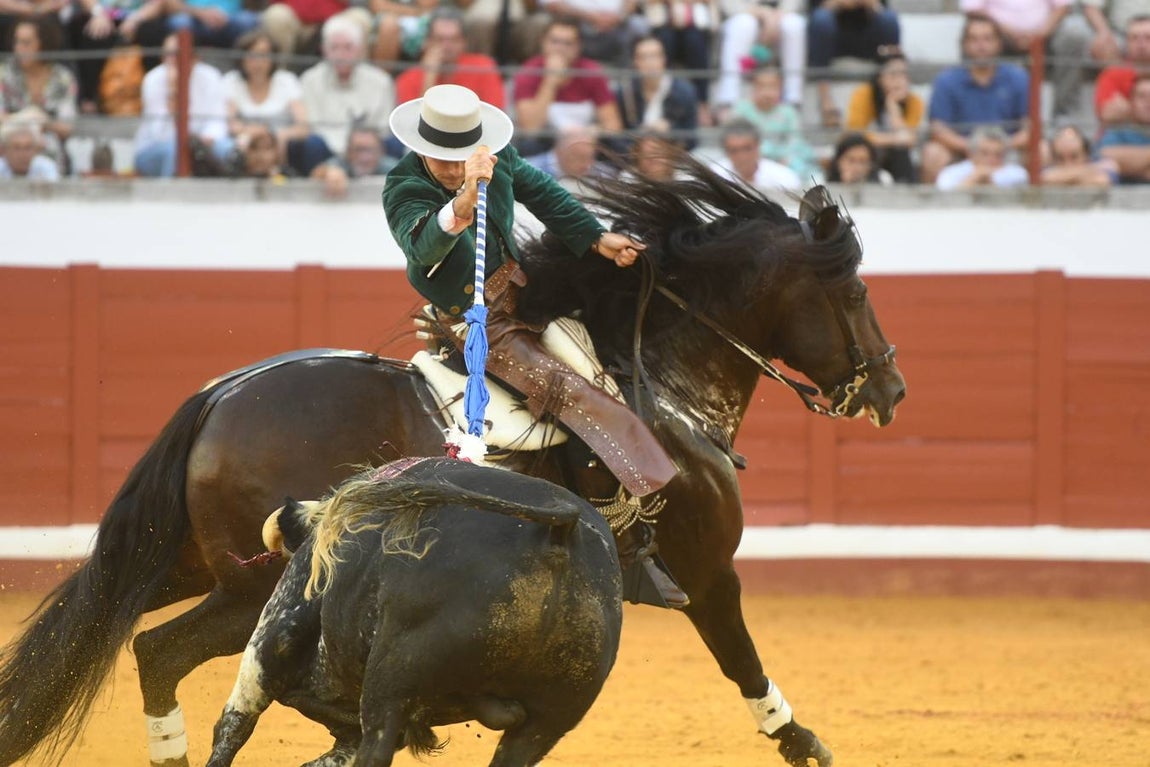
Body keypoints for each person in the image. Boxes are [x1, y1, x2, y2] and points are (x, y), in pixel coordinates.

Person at [382, 83, 686, 606]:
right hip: (474, 320)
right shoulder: (403, 186)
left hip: (524, 296)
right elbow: (423, 248)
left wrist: (595, 237)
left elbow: (542, 191)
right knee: (573, 394)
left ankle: (623, 520)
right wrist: (463, 199)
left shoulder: (496, 157)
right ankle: (630, 550)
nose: (454, 168)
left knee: (606, 368)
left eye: (461, 160)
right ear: (423, 149)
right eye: (443, 160)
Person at [921, 13, 1029, 184]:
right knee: (933, 153)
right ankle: (935, 208)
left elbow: (1030, 127)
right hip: (961, 152)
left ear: (999, 43)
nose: (981, 46)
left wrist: (998, 149)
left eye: (987, 39)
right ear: (964, 45)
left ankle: (1034, 206)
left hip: (1007, 152)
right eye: (974, 39)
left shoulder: (1018, 77)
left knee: (1041, 150)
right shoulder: (946, 80)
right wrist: (974, 149)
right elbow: (938, 130)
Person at [223, 30, 331, 175]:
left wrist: (277, 137)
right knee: (232, 147)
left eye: (264, 55)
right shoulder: (231, 81)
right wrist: (255, 135)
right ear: (242, 58)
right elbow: (232, 124)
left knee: (314, 143)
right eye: (252, 55)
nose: (258, 62)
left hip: (283, 142)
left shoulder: (287, 81)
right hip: (247, 141)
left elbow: (303, 125)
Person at [512, 16, 624, 157]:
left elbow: (613, 125)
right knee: (528, 145)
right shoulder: (529, 72)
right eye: (555, 41)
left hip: (586, 143)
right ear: (543, 42)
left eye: (567, 43)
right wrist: (550, 81)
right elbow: (531, 128)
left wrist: (589, 133)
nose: (560, 48)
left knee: (618, 146)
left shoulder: (591, 72)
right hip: (547, 145)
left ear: (578, 46)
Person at [959, 0, 1091, 119]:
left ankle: (1065, 117)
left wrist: (1038, 35)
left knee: (1074, 35)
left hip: (1045, 34)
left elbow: (1063, 6)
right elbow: (973, 8)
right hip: (998, 32)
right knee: (978, 39)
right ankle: (979, 118)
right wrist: (1008, 31)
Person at [133, 32, 232, 176]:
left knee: (228, 149)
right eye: (168, 54)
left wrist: (205, 139)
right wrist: (173, 94)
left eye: (177, 55)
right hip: (154, 150)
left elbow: (217, 122)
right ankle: (170, 197)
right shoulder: (153, 80)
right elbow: (159, 135)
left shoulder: (211, 76)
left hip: (203, 143)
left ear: (195, 57)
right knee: (176, 150)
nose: (172, 60)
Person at [300, 13, 394, 157]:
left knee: (394, 145)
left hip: (370, 152)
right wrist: (344, 150)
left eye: (348, 48)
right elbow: (313, 127)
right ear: (324, 51)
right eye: (334, 47)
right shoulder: (309, 80)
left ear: (360, 50)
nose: (340, 55)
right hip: (327, 152)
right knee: (313, 144)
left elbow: (383, 130)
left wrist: (359, 146)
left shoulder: (381, 81)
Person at [807, 0, 901, 128]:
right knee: (821, 20)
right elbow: (813, 12)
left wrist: (871, 5)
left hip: (866, 36)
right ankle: (825, 100)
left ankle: (892, 95)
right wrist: (838, 3)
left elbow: (882, 9)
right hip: (833, 37)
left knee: (889, 19)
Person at [0, 15, 76, 172]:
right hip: (7, 149)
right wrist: (28, 119)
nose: (18, 48)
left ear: (43, 44)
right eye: (16, 42)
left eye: (26, 43)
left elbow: (67, 127)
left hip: (48, 150)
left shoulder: (62, 79)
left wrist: (44, 123)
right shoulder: (4, 74)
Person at [66, 0, 168, 113]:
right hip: (101, 17)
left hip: (140, 18)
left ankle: (151, 98)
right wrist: (98, 13)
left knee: (152, 32)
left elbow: (158, 3)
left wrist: (135, 19)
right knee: (94, 32)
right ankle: (88, 99)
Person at [394, 7, 504, 107]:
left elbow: (495, 114)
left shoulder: (483, 67)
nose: (446, 46)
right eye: (439, 39)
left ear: (464, 42)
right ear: (427, 41)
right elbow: (413, 122)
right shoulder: (407, 79)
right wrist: (429, 76)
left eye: (454, 39)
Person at [713, 0, 806, 118]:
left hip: (782, 16)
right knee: (743, 23)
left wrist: (777, 16)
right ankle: (728, 101)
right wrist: (762, 13)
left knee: (794, 25)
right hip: (744, 14)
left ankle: (793, 101)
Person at [844, 45, 920, 182]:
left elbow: (909, 139)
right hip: (868, 153)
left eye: (903, 74)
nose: (899, 80)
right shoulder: (863, 94)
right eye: (893, 74)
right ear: (880, 77)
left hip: (895, 156)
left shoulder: (914, 101)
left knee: (901, 153)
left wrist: (892, 106)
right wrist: (894, 139)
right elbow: (855, 135)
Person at [732, 62, 819, 180]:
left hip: (783, 160)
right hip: (750, 159)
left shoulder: (789, 112)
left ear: (780, 88)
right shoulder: (741, 110)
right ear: (754, 88)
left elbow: (795, 141)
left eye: (773, 87)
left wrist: (783, 158)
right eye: (762, 86)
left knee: (807, 169)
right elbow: (737, 139)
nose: (767, 92)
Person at [616, 34, 699, 149]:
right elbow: (617, 138)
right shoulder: (625, 94)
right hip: (635, 160)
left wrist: (670, 130)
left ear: (664, 58)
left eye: (655, 56)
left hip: (673, 160)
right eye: (643, 57)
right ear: (635, 61)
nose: (650, 63)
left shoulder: (684, 92)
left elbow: (692, 139)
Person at [261, 0, 372, 61]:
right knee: (276, 15)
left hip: (335, 19)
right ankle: (280, 75)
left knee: (361, 18)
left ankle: (359, 79)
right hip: (297, 20)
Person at [713, 116, 801, 188]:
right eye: (734, 150)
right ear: (726, 151)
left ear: (758, 146)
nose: (742, 156)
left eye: (747, 148)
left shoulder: (784, 178)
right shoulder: (714, 176)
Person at [310, 122, 394, 195]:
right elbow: (317, 172)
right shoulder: (342, 163)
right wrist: (329, 172)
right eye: (359, 149)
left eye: (370, 150)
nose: (364, 157)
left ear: (381, 151)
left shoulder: (389, 166)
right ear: (348, 152)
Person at [1095, 14, 1150, 125]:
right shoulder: (1112, 73)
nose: (1141, 44)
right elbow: (1107, 114)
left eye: (1148, 38)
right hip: (1121, 137)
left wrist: (1129, 108)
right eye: (1134, 38)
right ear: (1127, 42)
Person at [935, 125, 1029, 190]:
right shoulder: (951, 173)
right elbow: (946, 199)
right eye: (985, 153)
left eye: (997, 154)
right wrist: (975, 177)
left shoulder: (1017, 174)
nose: (991, 159)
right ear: (971, 153)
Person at [1099, 73, 1150, 181]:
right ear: (1131, 102)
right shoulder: (1119, 131)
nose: (1148, 102)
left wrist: (1129, 164)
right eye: (1142, 96)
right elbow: (1105, 156)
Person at [526, 123, 614, 183]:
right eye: (579, 157)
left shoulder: (605, 177)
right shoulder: (529, 173)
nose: (586, 165)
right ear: (559, 152)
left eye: (590, 157)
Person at [1041, 124, 1117, 186]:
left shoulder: (1106, 165)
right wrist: (1086, 173)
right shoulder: (1045, 171)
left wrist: (1061, 179)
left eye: (1074, 157)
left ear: (1086, 155)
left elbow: (1102, 181)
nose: (1068, 165)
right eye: (1061, 158)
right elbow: (1042, 178)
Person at [165, 0, 260, 49]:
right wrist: (201, 14)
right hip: (196, 19)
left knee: (249, 20)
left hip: (231, 20)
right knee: (179, 22)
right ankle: (186, 61)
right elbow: (171, 3)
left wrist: (224, 16)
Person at [825, 131, 891, 184]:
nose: (857, 167)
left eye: (863, 162)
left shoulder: (883, 179)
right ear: (839, 161)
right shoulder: (822, 182)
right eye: (851, 161)